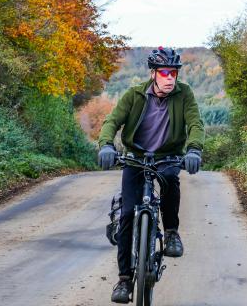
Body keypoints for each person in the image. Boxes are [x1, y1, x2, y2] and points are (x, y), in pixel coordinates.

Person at [98, 46, 205, 303]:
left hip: (167, 155)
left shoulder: (184, 94)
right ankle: (124, 280)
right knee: (126, 215)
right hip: (135, 157)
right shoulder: (134, 95)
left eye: (174, 73)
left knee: (170, 179)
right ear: (154, 73)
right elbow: (112, 122)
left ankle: (170, 232)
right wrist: (106, 145)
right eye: (165, 72)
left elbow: (195, 124)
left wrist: (193, 150)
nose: (170, 78)